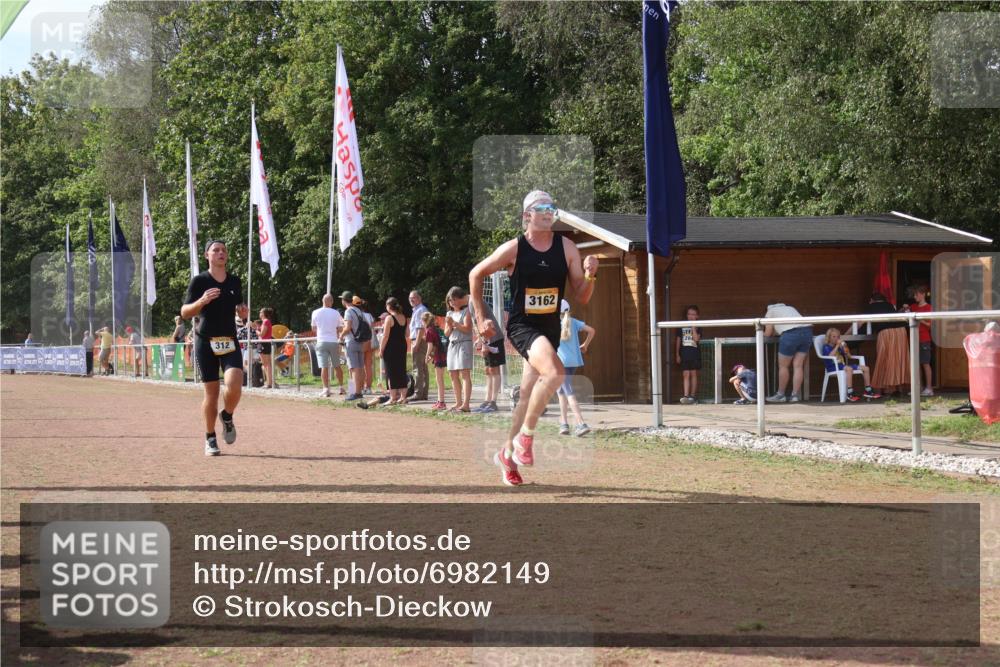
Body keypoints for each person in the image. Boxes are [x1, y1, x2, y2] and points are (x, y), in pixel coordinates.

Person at [469, 190, 598, 486]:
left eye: (552, 206)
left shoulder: (566, 247)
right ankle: (525, 438)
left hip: (550, 327)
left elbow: (582, 295)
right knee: (555, 373)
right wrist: (480, 317)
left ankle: (506, 455)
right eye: (541, 207)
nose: (548, 211)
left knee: (526, 397)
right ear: (527, 215)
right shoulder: (515, 248)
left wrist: (591, 275)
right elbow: (476, 275)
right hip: (523, 325)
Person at [180, 239, 249, 456]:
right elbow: (185, 312)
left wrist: (242, 313)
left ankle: (227, 415)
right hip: (205, 341)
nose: (220, 253)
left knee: (235, 384)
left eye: (223, 250)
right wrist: (201, 302)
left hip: (228, 339)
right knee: (212, 392)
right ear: (206, 255)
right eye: (215, 250)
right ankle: (210, 437)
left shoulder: (235, 281)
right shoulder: (199, 281)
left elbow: (239, 307)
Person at [556, 299, 595, 436]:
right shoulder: (574, 322)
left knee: (568, 391)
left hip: (561, 363)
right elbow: (591, 331)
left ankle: (581, 423)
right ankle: (564, 424)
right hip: (574, 362)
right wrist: (585, 345)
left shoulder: (554, 323)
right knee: (561, 391)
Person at [763, 302, 812, 403]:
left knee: (783, 366)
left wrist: (759, 334)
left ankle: (781, 395)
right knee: (798, 366)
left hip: (790, 335)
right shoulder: (790, 308)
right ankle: (795, 396)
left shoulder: (770, 312)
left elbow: (768, 333)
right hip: (807, 332)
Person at [864, 292, 909, 396]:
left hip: (886, 332)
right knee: (899, 359)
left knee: (884, 359)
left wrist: (846, 334)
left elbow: (860, 322)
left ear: (872, 300)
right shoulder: (889, 305)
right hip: (901, 331)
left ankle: (884, 390)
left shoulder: (872, 306)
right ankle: (899, 388)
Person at [822, 328, 880, 401]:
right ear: (829, 338)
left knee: (866, 368)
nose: (836, 338)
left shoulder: (839, 347)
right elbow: (830, 356)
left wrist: (845, 347)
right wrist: (837, 346)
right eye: (834, 337)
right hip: (832, 367)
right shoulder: (826, 347)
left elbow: (849, 356)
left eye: (838, 337)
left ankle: (868, 390)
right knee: (849, 369)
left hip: (842, 366)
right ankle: (850, 393)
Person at [471, 300, 505, 414]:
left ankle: (493, 402)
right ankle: (487, 400)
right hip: (487, 340)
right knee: (487, 370)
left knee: (494, 370)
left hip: (494, 339)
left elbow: (488, 325)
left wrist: (484, 342)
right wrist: (479, 340)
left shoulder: (476, 303)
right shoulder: (472, 305)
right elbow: (480, 328)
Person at [444, 286, 474, 412]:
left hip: (464, 344)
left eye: (453, 299)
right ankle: (458, 402)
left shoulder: (466, 311)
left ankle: (466, 404)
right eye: (449, 300)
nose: (451, 302)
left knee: (465, 374)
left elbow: (467, 329)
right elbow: (446, 333)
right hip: (452, 344)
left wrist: (455, 324)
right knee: (452, 374)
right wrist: (450, 325)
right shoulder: (449, 314)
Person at [311, 293, 345, 397]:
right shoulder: (336, 313)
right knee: (337, 366)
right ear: (331, 302)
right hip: (333, 341)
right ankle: (341, 387)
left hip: (321, 341)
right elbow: (340, 328)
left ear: (322, 301)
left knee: (324, 367)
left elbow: (313, 328)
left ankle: (326, 389)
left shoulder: (315, 312)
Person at [379, 296, 409, 404]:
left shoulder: (389, 318)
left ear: (389, 306)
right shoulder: (404, 317)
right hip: (402, 346)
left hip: (391, 347)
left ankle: (392, 398)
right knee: (401, 370)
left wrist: (381, 349)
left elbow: (385, 336)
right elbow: (407, 334)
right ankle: (403, 397)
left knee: (390, 372)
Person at [907, 285, 934, 396]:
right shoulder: (913, 306)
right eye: (914, 295)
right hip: (913, 338)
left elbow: (929, 325)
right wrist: (906, 310)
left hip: (924, 339)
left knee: (925, 363)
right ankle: (919, 388)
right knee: (915, 364)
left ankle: (929, 388)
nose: (915, 297)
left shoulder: (928, 308)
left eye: (916, 294)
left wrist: (918, 318)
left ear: (923, 294)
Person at [339, 291, 366, 400]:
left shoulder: (348, 311)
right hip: (360, 341)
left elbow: (347, 327)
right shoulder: (359, 311)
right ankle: (359, 391)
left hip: (351, 341)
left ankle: (356, 393)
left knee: (354, 368)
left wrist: (340, 336)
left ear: (344, 301)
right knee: (359, 367)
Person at [675, 304, 702, 404]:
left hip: (694, 353)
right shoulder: (681, 325)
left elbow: (696, 339)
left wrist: (693, 327)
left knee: (693, 373)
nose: (691, 316)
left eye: (693, 314)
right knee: (686, 374)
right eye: (689, 314)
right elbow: (678, 340)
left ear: (697, 316)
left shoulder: (699, 326)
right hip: (684, 353)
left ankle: (692, 396)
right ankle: (686, 395)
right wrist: (677, 354)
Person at [422, 311, 448, 409]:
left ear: (425, 321)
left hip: (439, 356)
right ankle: (439, 401)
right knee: (440, 379)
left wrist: (427, 355)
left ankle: (441, 402)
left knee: (439, 379)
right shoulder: (437, 329)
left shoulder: (429, 330)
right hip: (443, 354)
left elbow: (430, 345)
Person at [408, 290, 430, 401]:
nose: (411, 300)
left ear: (419, 298)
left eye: (414, 297)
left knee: (418, 367)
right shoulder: (418, 309)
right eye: (410, 298)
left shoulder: (420, 310)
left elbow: (421, 329)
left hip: (419, 341)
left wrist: (416, 344)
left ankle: (418, 393)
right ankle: (423, 393)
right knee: (422, 367)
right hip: (420, 340)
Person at [352, 296, 376, 394]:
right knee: (368, 366)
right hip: (370, 341)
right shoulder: (370, 315)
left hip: (361, 341)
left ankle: (360, 388)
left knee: (359, 366)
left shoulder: (358, 314)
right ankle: (369, 387)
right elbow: (372, 328)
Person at [258, 307, 277, 389]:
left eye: (260, 312)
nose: (259, 313)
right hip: (264, 343)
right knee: (266, 364)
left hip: (264, 343)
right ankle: (269, 382)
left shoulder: (266, 321)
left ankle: (269, 383)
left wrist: (255, 330)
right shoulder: (265, 322)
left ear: (263, 314)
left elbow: (262, 334)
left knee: (267, 364)